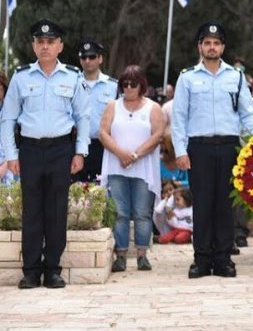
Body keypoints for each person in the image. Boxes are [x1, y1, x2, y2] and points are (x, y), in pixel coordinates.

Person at [1, 19, 90, 289]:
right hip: (29, 150)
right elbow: (8, 118)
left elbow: (83, 117)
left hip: (61, 150)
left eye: (50, 42)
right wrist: (11, 155)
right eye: (40, 41)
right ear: (33, 45)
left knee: (56, 209)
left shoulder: (73, 76)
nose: (45, 46)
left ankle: (52, 269)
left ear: (60, 46)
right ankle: (30, 270)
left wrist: (80, 152)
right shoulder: (21, 76)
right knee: (32, 211)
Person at [172, 20, 253, 279]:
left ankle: (223, 258)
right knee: (202, 203)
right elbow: (179, 118)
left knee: (224, 204)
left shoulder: (235, 77)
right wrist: (180, 150)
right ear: (200, 46)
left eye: (216, 43)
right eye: (207, 43)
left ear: (223, 47)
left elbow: (248, 114)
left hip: (228, 147)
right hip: (199, 148)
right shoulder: (187, 77)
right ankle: (201, 259)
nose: (212, 47)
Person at [99, 65, 164, 272]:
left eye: (132, 84)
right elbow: (103, 132)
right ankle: (121, 255)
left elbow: (158, 135)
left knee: (142, 213)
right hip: (117, 167)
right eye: (124, 84)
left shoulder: (153, 107)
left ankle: (142, 255)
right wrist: (121, 153)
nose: (128, 88)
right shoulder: (112, 106)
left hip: (143, 167)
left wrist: (135, 154)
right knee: (120, 212)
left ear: (141, 85)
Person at [74, 39, 117, 183]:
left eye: (92, 57)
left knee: (100, 193)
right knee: (74, 193)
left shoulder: (113, 86)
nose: (87, 60)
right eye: (83, 57)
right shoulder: (71, 83)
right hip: (75, 146)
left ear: (100, 59)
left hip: (102, 147)